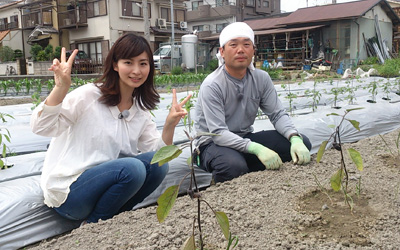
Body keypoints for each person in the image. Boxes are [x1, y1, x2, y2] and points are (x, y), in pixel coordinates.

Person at [31, 33, 191, 224]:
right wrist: (60, 88)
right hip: (71, 192)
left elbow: (157, 155)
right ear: (115, 65)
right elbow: (41, 127)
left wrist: (170, 124)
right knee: (133, 169)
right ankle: (93, 226)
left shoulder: (139, 109)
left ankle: (114, 221)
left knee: (157, 165)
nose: (137, 70)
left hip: (109, 185)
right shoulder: (89, 95)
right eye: (128, 62)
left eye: (143, 63)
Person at [193, 22, 311, 183]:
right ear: (222, 51)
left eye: (246, 44)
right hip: (211, 144)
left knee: (302, 143)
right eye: (233, 45)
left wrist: (294, 137)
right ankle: (226, 181)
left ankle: (252, 172)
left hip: (243, 137)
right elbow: (218, 133)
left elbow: (277, 114)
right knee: (232, 166)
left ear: (253, 50)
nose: (240, 50)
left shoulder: (261, 79)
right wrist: (255, 148)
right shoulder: (212, 84)